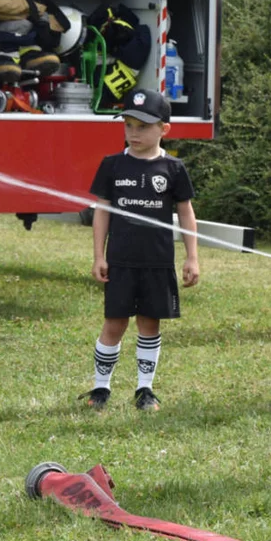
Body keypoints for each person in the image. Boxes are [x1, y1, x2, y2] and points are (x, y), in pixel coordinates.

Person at [81, 88, 199, 412]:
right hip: (120, 261)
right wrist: (99, 255)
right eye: (129, 125)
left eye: (143, 126)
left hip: (157, 263)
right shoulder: (112, 165)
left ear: (164, 129)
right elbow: (101, 212)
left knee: (149, 324)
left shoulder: (173, 169)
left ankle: (144, 389)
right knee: (114, 324)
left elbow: (186, 213)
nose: (134, 133)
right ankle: (100, 387)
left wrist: (192, 257)